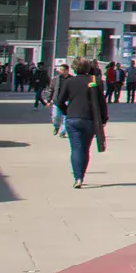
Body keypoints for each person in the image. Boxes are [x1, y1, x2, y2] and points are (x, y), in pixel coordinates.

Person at [56, 58, 107, 189]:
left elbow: (59, 101)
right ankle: (81, 175)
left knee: (76, 148)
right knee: (85, 149)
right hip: (90, 118)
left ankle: (77, 177)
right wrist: (104, 118)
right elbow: (102, 102)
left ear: (74, 68)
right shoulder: (96, 81)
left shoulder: (69, 82)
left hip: (73, 118)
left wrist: (67, 112)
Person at [47, 64, 68, 137]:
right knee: (55, 116)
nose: (60, 71)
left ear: (67, 71)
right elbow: (51, 89)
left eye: (62, 70)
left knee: (66, 117)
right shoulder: (55, 79)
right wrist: (49, 100)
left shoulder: (71, 79)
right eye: (60, 69)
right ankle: (56, 126)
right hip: (57, 101)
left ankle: (62, 132)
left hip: (67, 101)